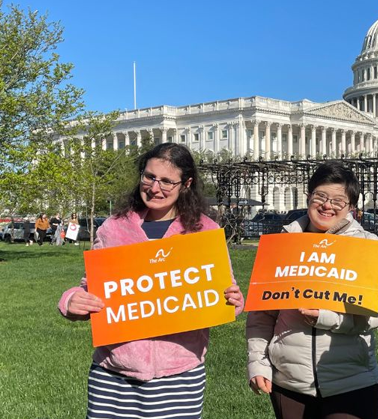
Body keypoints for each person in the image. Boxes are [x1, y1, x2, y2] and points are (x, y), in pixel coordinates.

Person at [58, 143, 245, 419]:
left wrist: (234, 301)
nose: (155, 188)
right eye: (149, 177)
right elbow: (91, 287)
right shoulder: (114, 227)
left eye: (167, 181)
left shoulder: (205, 230)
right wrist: (71, 299)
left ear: (186, 184)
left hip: (180, 375)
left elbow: (223, 290)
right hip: (114, 375)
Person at [247, 161, 378, 419]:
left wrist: (327, 317)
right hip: (289, 382)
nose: (327, 205)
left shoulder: (367, 247)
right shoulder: (283, 245)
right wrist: (257, 364)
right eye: (320, 196)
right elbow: (261, 315)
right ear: (309, 197)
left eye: (338, 201)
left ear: (351, 207)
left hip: (351, 381)